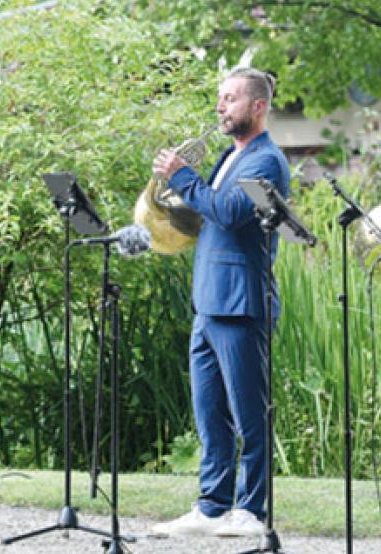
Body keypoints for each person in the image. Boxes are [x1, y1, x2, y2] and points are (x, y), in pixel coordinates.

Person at [149, 67, 290, 538]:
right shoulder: (231, 156)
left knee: (250, 413)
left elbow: (229, 212)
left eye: (230, 98)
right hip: (209, 301)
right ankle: (211, 506)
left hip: (241, 302)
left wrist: (182, 176)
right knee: (210, 413)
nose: (220, 107)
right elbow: (207, 210)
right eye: (220, 98)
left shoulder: (266, 160)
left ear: (258, 106)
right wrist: (176, 197)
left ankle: (251, 510)